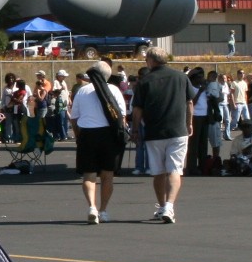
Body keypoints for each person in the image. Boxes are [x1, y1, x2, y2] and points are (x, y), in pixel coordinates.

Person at [132, 46, 191, 223]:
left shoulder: (145, 81)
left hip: (154, 131)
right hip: (178, 130)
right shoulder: (181, 77)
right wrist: (189, 123)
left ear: (150, 61)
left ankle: (163, 205)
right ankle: (169, 206)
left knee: (158, 171)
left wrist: (135, 129)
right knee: (174, 169)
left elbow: (137, 109)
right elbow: (189, 102)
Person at [71, 61, 128, 223]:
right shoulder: (114, 90)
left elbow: (74, 118)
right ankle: (103, 210)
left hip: (88, 134)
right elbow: (121, 116)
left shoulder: (82, 91)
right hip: (109, 135)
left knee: (89, 175)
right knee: (107, 175)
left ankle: (91, 207)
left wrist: (77, 136)